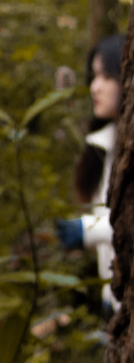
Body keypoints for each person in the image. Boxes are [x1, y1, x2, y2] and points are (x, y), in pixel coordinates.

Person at [59, 35, 121, 307]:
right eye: (94, 77)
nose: (95, 87)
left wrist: (87, 230)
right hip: (113, 299)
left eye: (106, 77)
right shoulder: (103, 144)